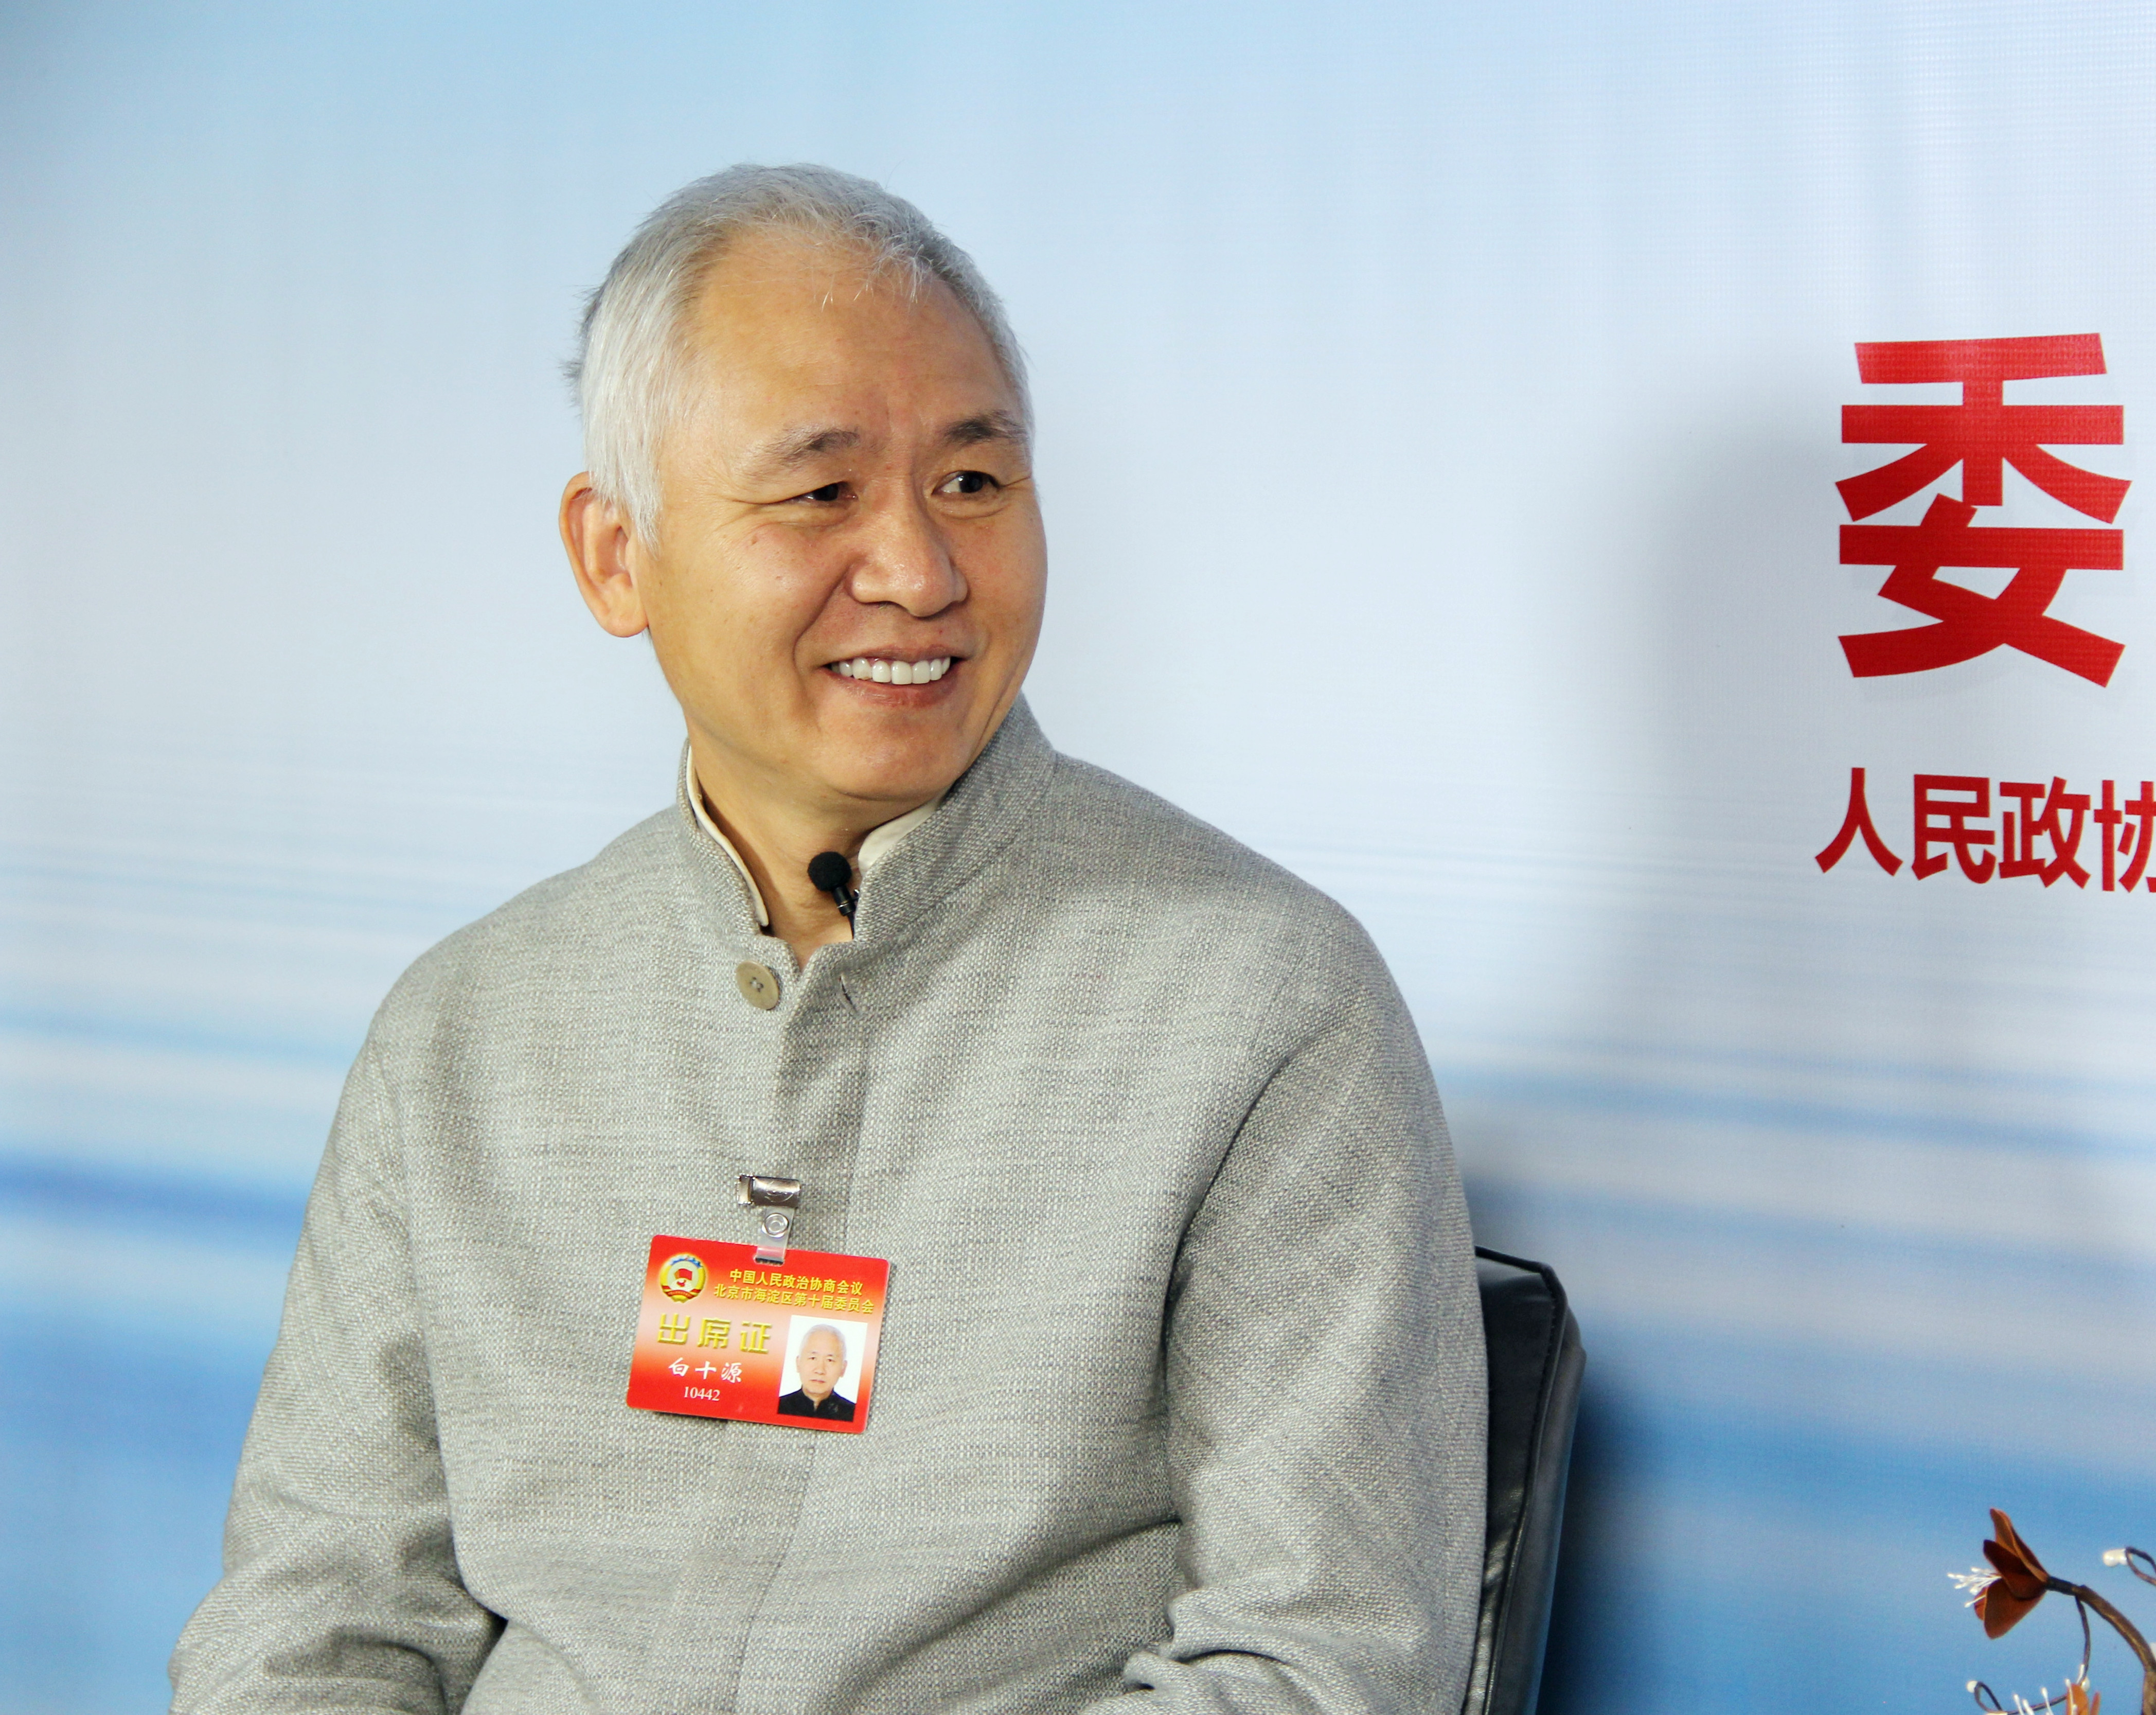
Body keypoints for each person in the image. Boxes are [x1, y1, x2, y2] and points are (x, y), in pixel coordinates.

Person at [169, 164, 1485, 1714]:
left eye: (973, 482)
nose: (920, 573)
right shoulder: (465, 1030)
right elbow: (312, 1623)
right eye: (820, 492)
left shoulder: (1260, 1003)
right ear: (614, 556)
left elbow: (1318, 1663)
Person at [776, 1322, 858, 1421]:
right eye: (813, 1358)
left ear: (843, 1368)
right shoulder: (777, 1407)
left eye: (830, 1360)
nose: (820, 1370)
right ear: (798, 1363)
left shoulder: (855, 1414)